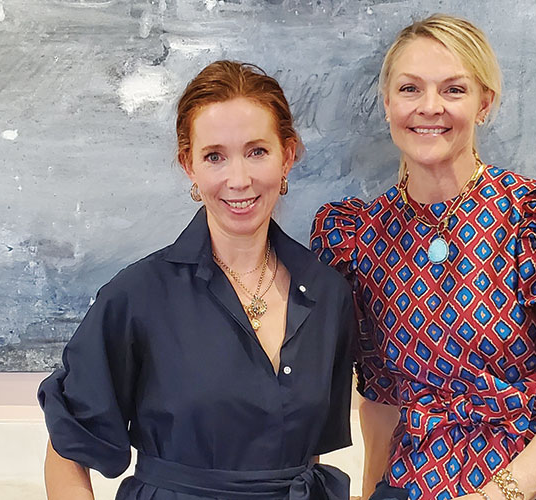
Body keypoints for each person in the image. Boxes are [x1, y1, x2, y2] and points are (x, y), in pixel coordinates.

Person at [311, 14, 536, 500]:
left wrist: (498, 495)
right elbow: (381, 398)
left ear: (484, 103)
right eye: (410, 89)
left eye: (453, 90)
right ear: (387, 103)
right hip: (418, 477)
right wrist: (373, 491)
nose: (429, 106)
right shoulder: (361, 238)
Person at [39, 60, 355, 500]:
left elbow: (308, 453)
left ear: (288, 155)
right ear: (189, 166)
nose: (238, 179)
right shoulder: (137, 296)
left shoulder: (328, 294)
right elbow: (67, 452)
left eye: (257, 151)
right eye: (214, 157)